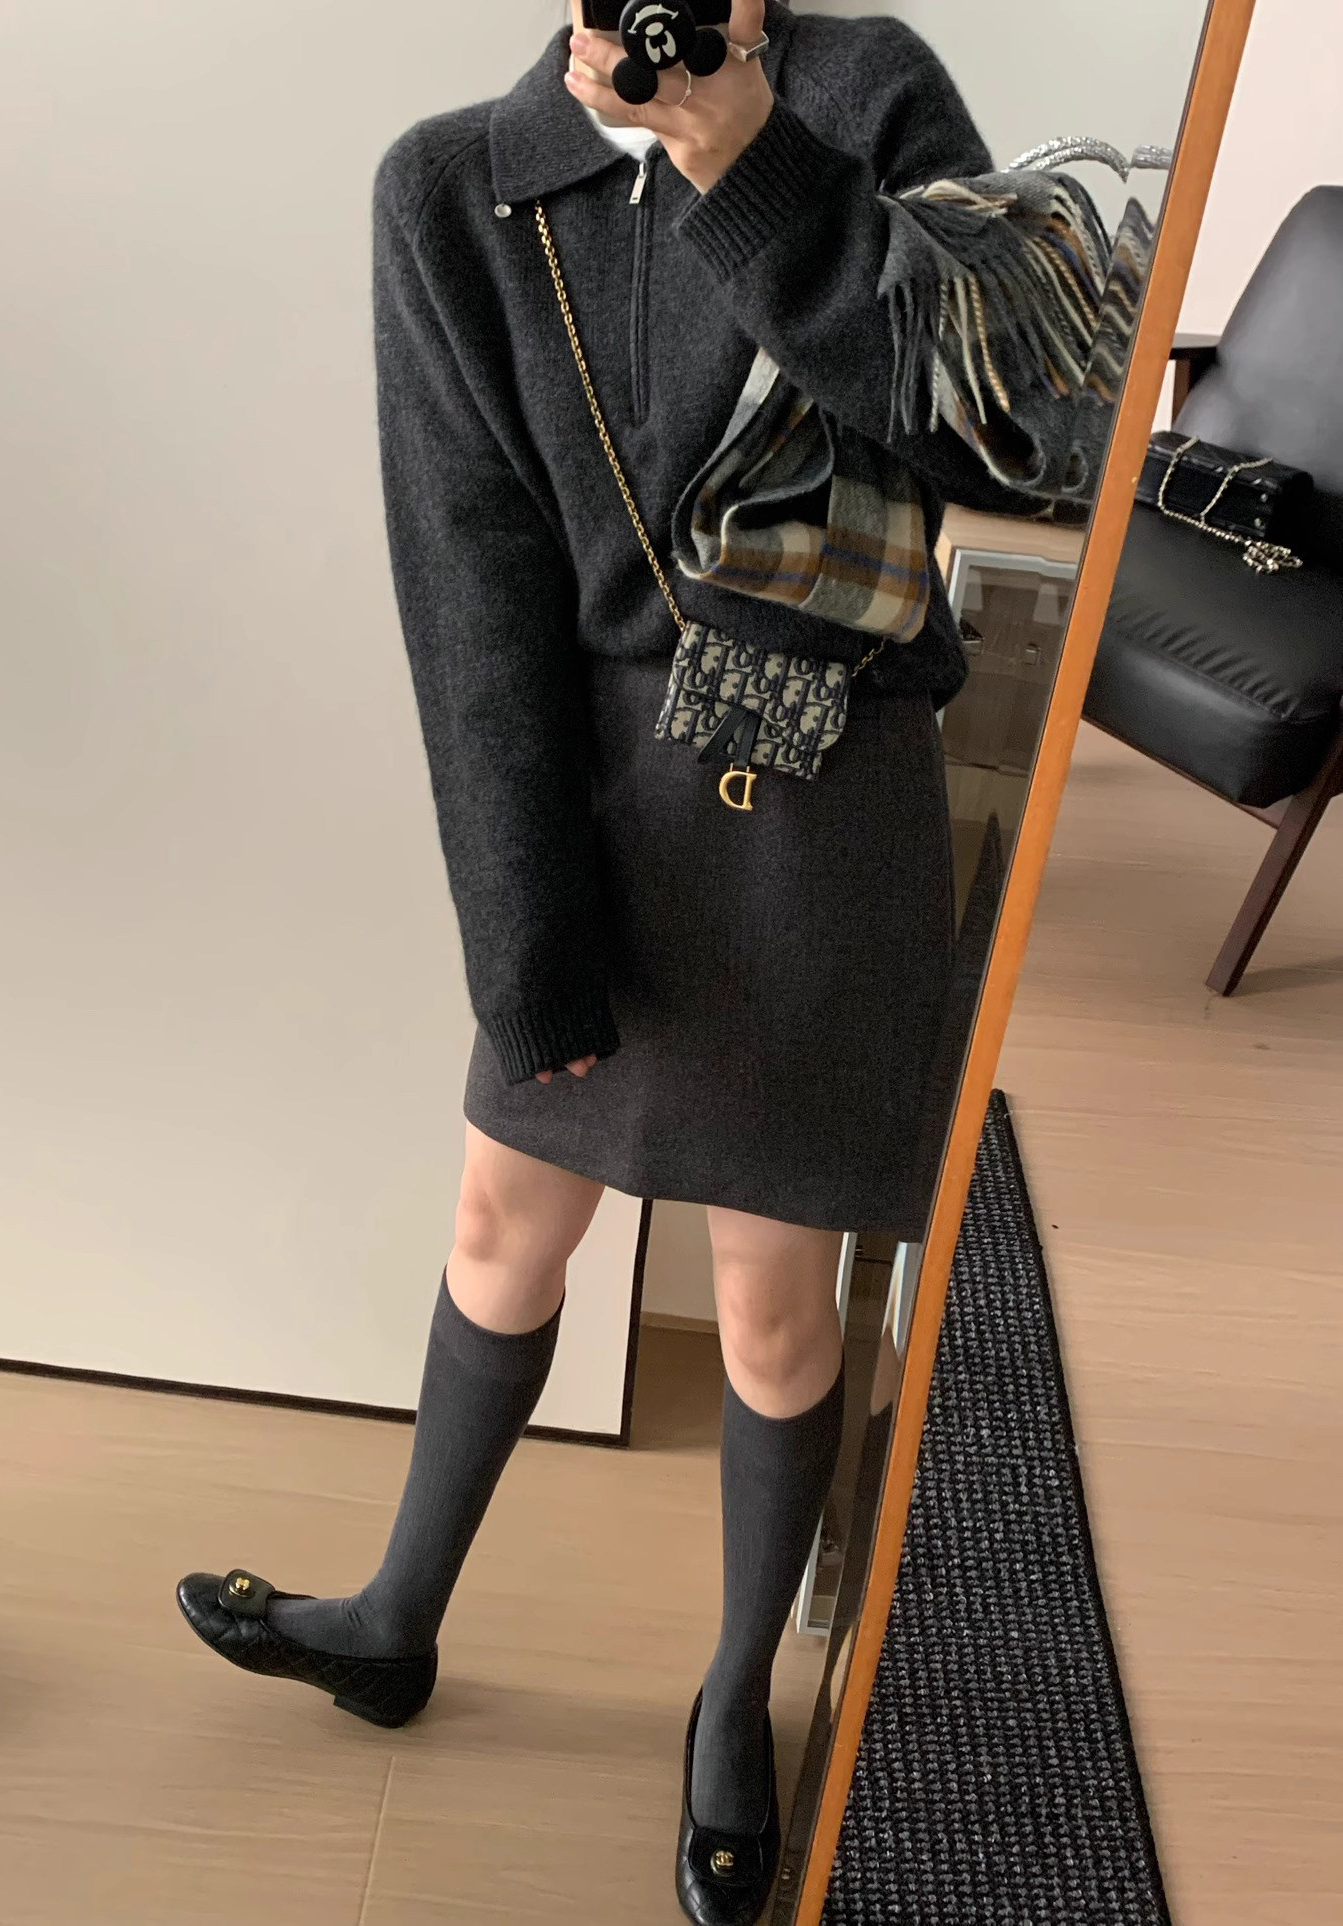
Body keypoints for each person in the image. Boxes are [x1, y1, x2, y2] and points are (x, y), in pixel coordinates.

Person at [177, 5, 1000, 1920]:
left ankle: (731, 1702)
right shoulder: (453, 187)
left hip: (821, 793)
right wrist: (516, 916)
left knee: (771, 1311)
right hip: (586, 792)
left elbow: (1003, 431)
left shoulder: (868, 95)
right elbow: (466, 573)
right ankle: (395, 1614)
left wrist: (754, 169)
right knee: (499, 1223)